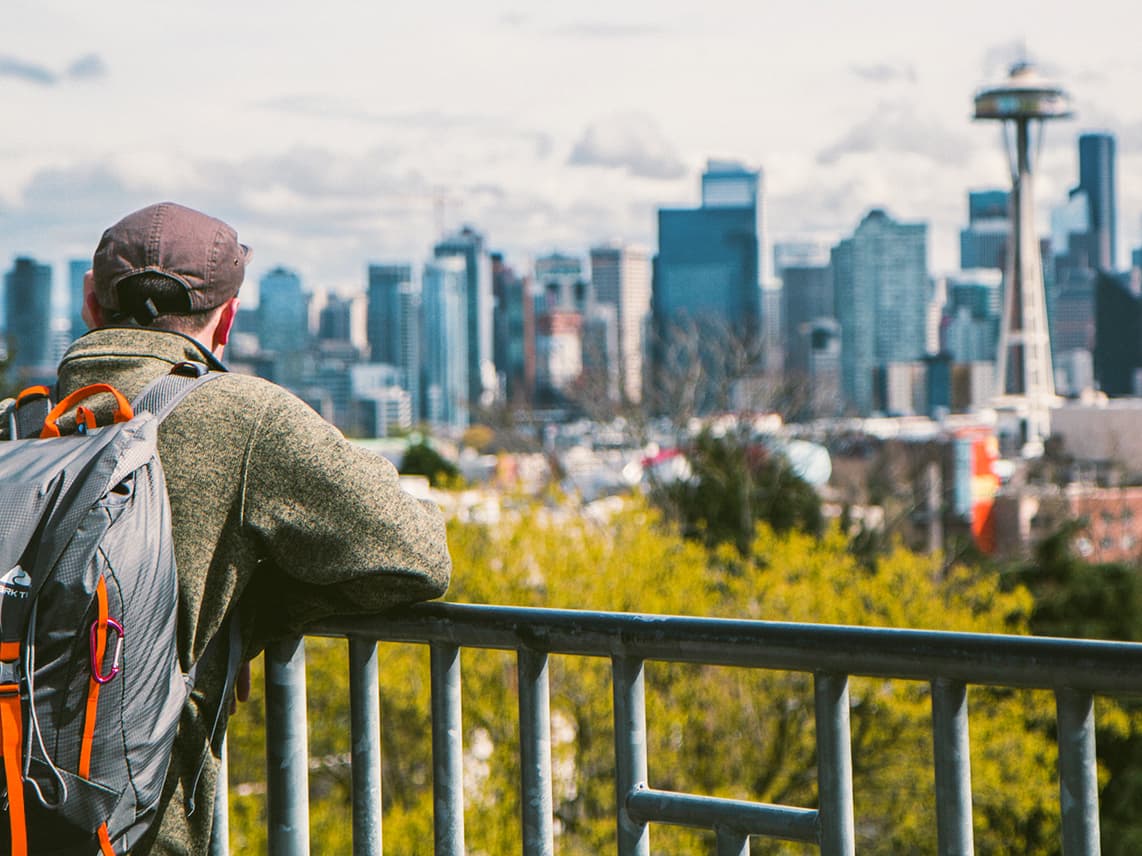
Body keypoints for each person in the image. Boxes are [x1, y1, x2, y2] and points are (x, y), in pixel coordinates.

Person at [59, 201, 452, 853]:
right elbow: (417, 554)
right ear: (229, 320)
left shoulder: (17, 427)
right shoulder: (241, 417)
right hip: (133, 834)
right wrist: (258, 607)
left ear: (90, 306)